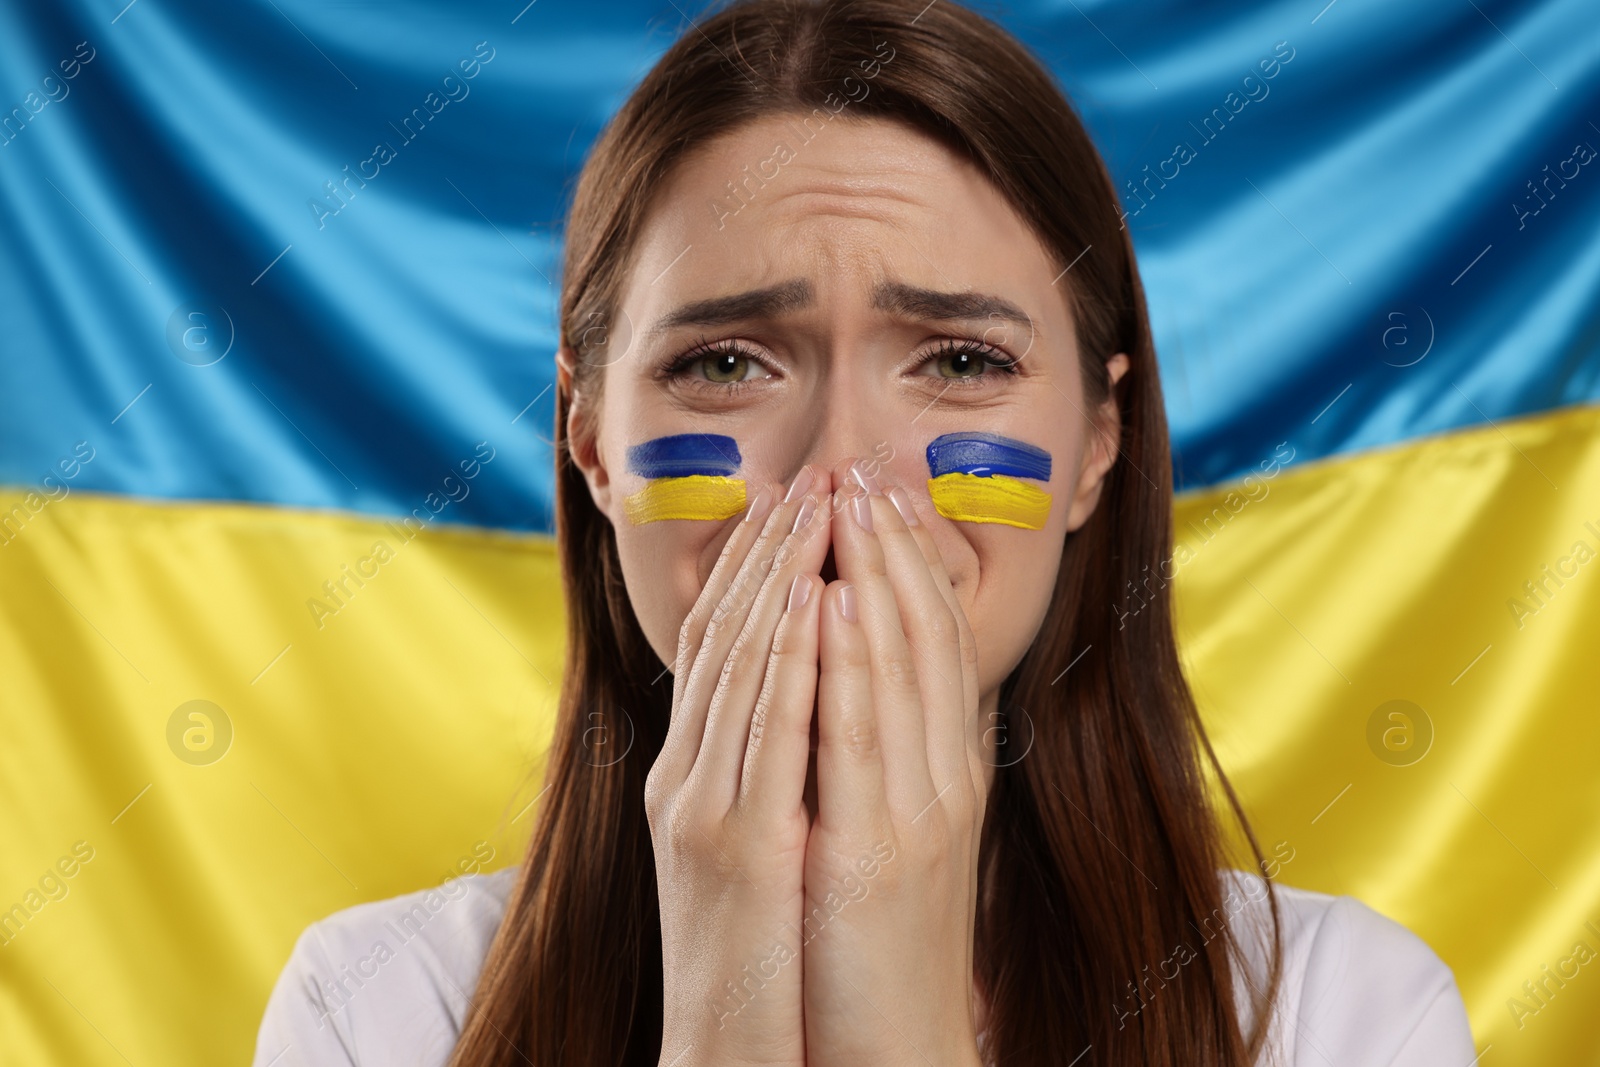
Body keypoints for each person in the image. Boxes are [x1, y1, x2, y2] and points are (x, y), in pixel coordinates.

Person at [253, 1, 1476, 1064]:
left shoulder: (1345, 1016)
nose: (839, 472)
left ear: (1097, 442)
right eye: (726, 361)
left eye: (958, 359)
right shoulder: (378, 1013)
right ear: (591, 444)